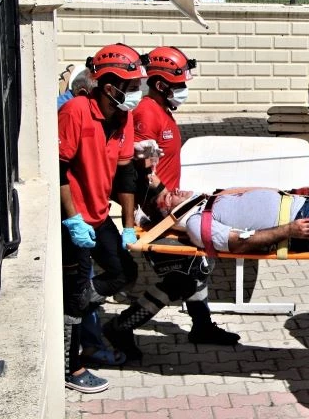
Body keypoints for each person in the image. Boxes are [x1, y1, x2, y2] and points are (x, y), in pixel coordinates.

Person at [102, 46, 241, 361]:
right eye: (178, 85)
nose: (184, 90)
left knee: (197, 266)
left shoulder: (160, 110)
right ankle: (122, 325)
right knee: (183, 277)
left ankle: (202, 325)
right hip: (156, 214)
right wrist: (159, 198)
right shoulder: (146, 113)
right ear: (161, 85)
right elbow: (133, 170)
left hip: (168, 208)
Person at [59, 43, 146, 393]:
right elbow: (59, 167)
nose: (138, 92)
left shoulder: (123, 117)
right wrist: (72, 219)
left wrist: (127, 225)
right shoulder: (76, 111)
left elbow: (125, 175)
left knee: (125, 271)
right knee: (74, 296)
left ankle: (82, 303)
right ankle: (73, 367)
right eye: (133, 86)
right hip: (74, 219)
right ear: (110, 87)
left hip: (99, 215)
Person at [153, 185, 309, 255]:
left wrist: (305, 191)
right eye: (168, 197)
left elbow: (262, 196)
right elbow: (238, 243)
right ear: (168, 215)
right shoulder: (197, 224)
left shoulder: (209, 199)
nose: (175, 190)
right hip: (304, 222)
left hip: (308, 204)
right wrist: (289, 230)